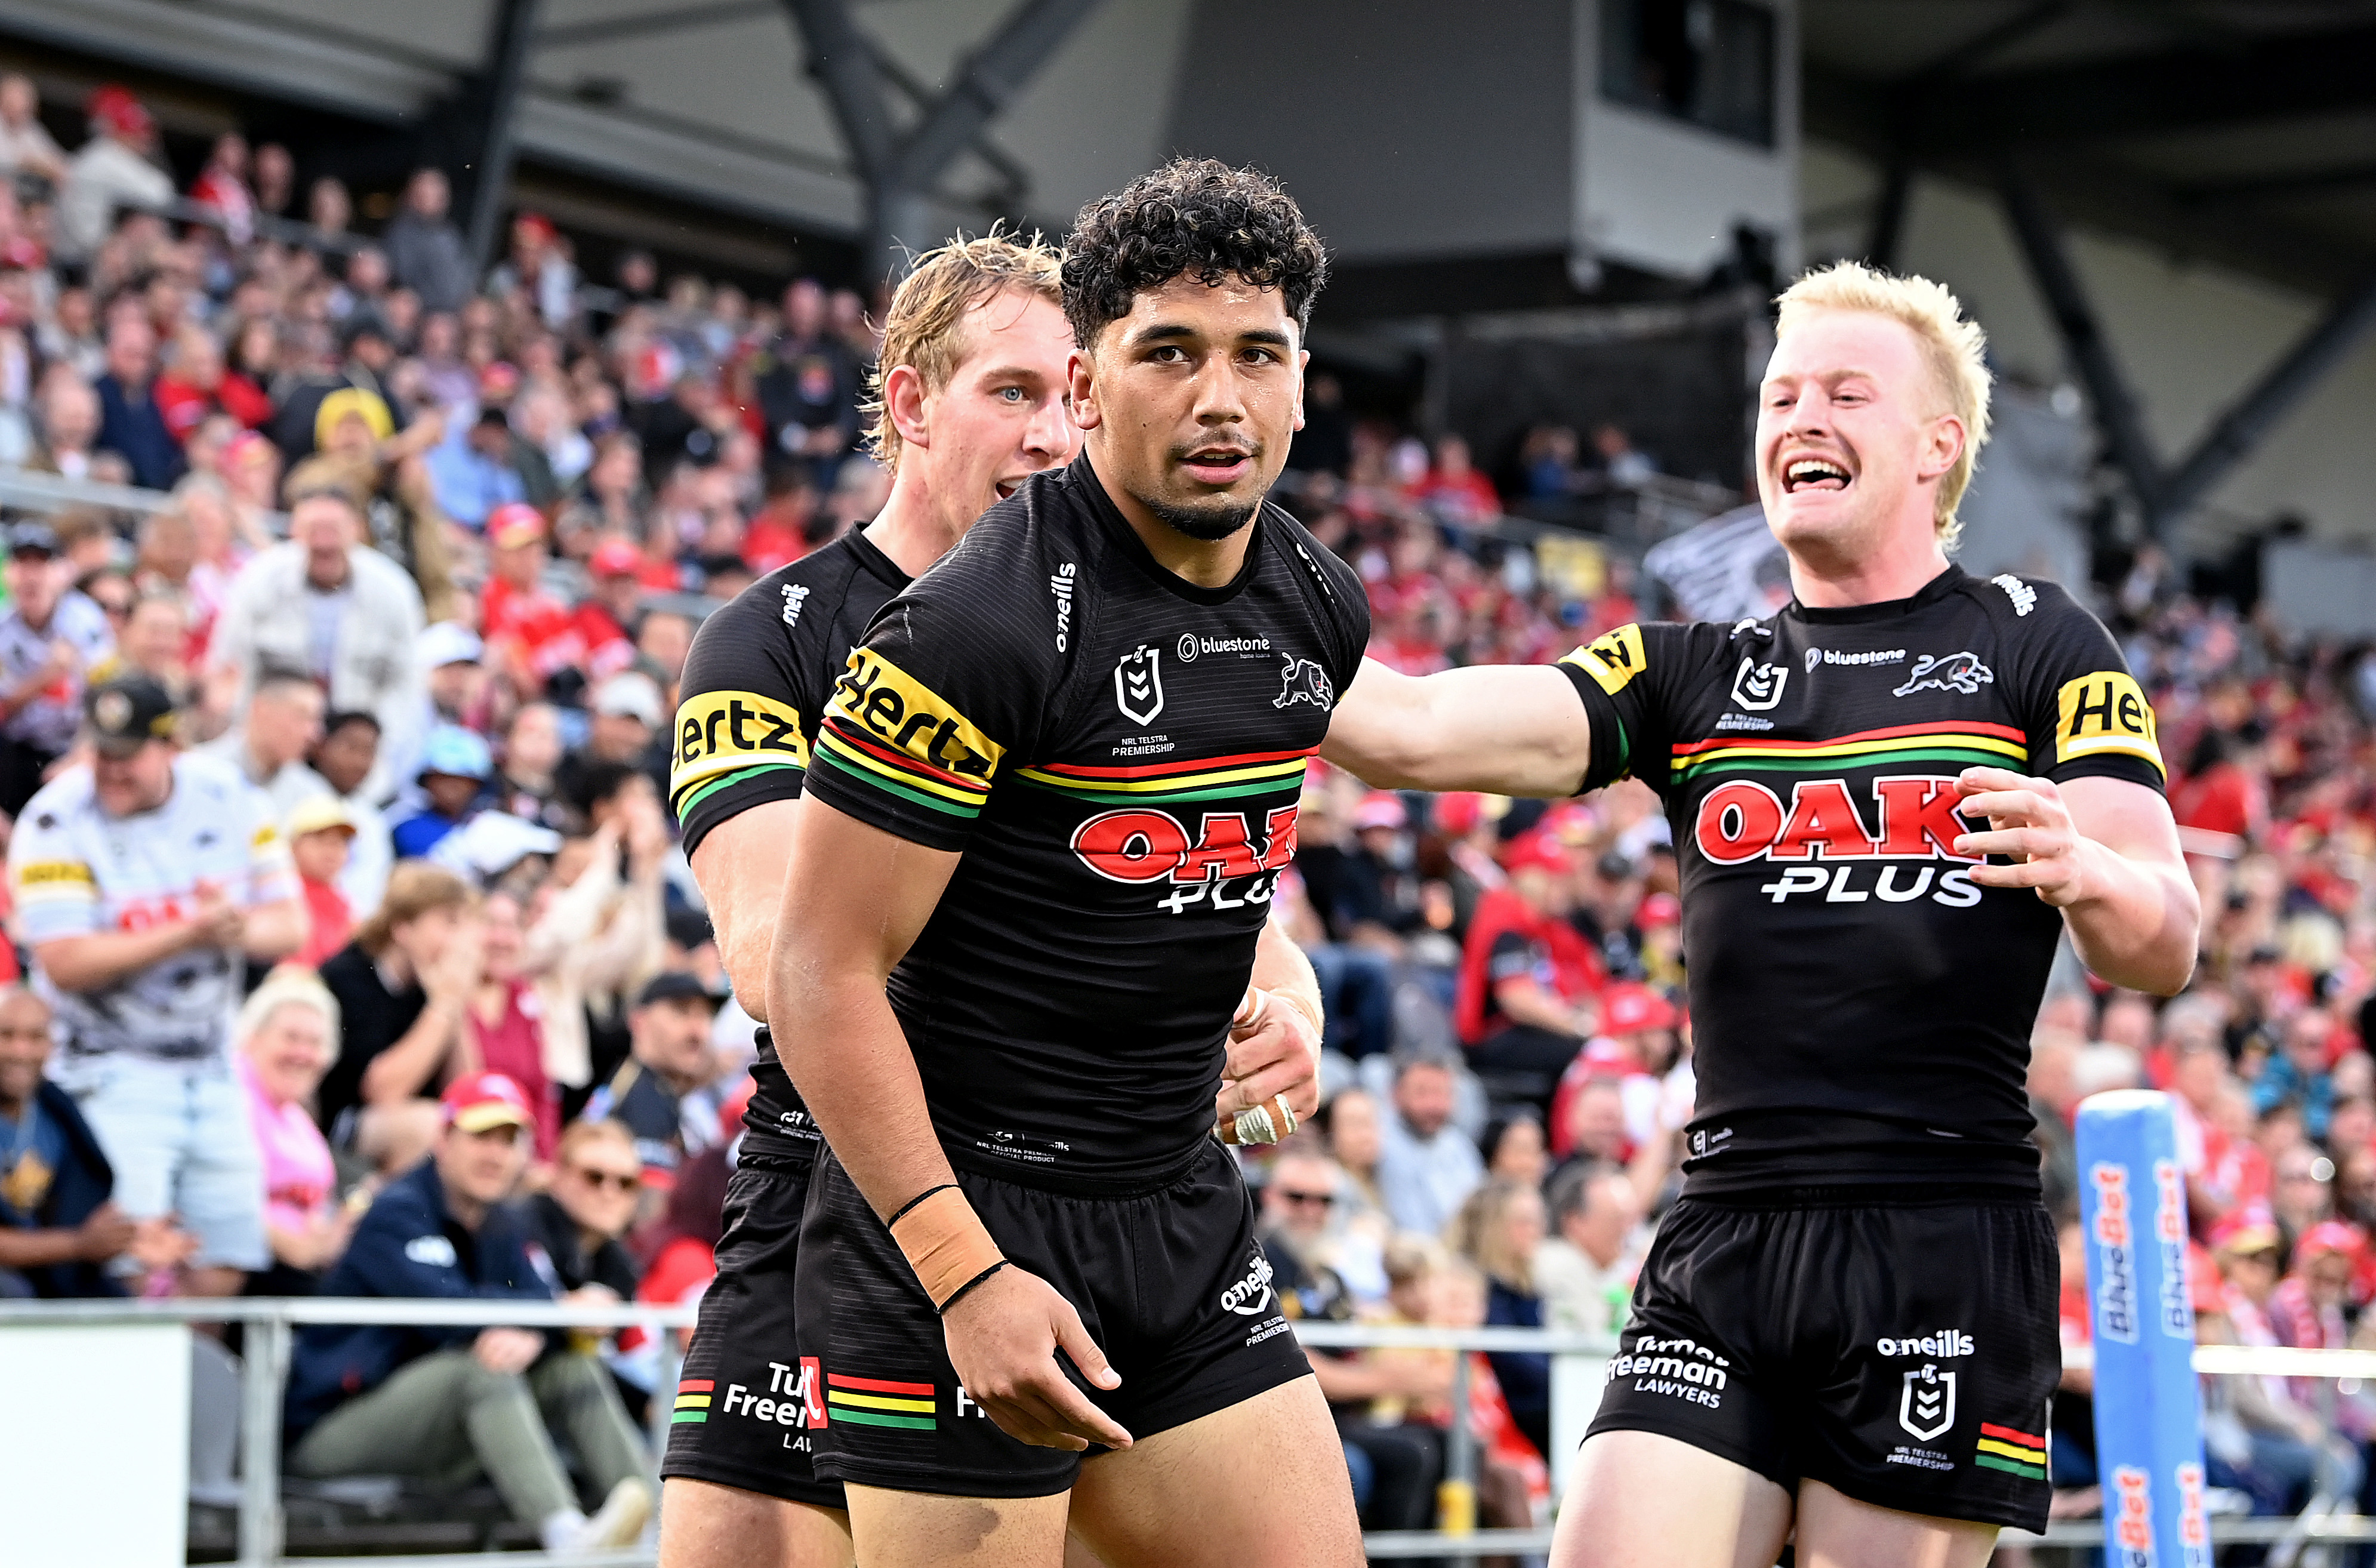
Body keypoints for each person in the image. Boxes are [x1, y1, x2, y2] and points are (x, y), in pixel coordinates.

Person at [1316, 261, 2200, 1566]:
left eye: (1845, 391)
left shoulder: (2038, 643)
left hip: (1933, 1229)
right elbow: (1413, 727)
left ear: (1934, 445)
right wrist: (1214, 585)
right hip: (1721, 1222)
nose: (1798, 416)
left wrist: (2084, 864)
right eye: (1781, 394)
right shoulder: (1691, 669)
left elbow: (2162, 938)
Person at [771, 161, 1361, 1567]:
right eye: (1167, 352)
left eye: (1253, 355)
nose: (1216, 396)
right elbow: (814, 972)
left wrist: (1294, 1001)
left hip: (1176, 1213)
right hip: (953, 1228)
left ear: (1295, 383)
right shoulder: (967, 627)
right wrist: (963, 1272)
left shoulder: (1313, 595)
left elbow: (1204, 854)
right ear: (1088, 387)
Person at [657, 232, 1181, 1568]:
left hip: (1089, 1182)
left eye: (1076, 398)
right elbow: (776, 948)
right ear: (906, 402)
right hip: (836, 1183)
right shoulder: (770, 637)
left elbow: (1209, 885)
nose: (1056, 437)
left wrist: (1272, 995)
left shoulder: (1113, 627)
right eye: (1011, 392)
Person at [7, 674, 307, 1295]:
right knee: (130, 1256)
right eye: (103, 753)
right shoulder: (56, 817)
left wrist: (230, 927)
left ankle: (196, 1393)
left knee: (224, 1257)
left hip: (215, 1061)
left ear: (171, 746)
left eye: (129, 755)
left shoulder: (231, 796)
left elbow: (289, 924)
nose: (111, 771)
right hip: (109, 1065)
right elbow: (64, 959)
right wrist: (187, 932)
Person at [283, 1071, 654, 1554]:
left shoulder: (499, 1219)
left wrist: (537, 1333)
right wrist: (553, 1313)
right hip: (333, 1428)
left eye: (509, 1140)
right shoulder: (396, 1211)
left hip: (436, 1423)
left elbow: (534, 1311)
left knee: (571, 1367)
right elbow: (449, 1315)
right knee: (481, 1369)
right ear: (444, 1138)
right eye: (482, 1136)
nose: (495, 1154)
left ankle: (661, 1531)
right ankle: (567, 1537)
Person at [208, 477, 427, 799]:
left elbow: (406, 686)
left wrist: (373, 753)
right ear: (295, 529)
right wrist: (252, 738)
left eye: (334, 527)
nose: (323, 540)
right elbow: (230, 667)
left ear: (357, 530)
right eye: (313, 527)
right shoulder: (259, 581)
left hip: (354, 746)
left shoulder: (393, 591)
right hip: (271, 742)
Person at [0, 983, 192, 1298]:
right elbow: (74, 1240)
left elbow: (58, 1214)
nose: (21, 1051)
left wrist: (127, 1238)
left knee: (116, 1307)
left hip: (45, 1271)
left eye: (36, 1037)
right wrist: (77, 1245)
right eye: (6, 1035)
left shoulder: (56, 1114)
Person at [316, 862, 481, 1138]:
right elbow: (382, 1092)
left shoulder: (430, 985)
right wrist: (443, 1006)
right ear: (403, 928)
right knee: (427, 1126)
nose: (461, 941)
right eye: (450, 922)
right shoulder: (347, 975)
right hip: (341, 1125)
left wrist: (455, 1005)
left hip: (406, 1119)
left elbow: (465, 1093)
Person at [236, 968, 351, 1293]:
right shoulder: (233, 1097)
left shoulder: (297, 1118)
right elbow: (213, 1197)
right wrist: (289, 1242)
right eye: (291, 1038)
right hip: (250, 1269)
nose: (302, 1054)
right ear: (253, 1038)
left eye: (315, 1043)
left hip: (297, 1271)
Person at [0, 519, 113, 817]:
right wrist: (47, 675)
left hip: (76, 745)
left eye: (41, 564)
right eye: (22, 564)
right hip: (17, 750)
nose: (31, 576)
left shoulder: (85, 619)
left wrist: (80, 756)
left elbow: (107, 694)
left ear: (59, 572)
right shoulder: (3, 626)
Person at [583, 972, 729, 1179]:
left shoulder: (650, 1087)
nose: (698, 1031)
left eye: (706, 1015)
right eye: (681, 1012)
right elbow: (650, 1205)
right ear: (638, 1021)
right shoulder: (643, 1100)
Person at [514, 1117, 641, 1299]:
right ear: (560, 1175)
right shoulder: (519, 1231)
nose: (610, 1194)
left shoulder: (620, 1261)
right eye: (595, 1177)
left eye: (626, 1183)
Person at [1376, 1053, 1485, 1240]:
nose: (1433, 1105)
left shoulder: (1458, 1143)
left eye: (1441, 1093)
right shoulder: (1379, 1141)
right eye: (1422, 1093)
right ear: (1395, 1094)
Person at [1533, 1161, 1644, 1338]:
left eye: (1631, 1221)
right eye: (1616, 1220)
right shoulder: (1557, 1264)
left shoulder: (1616, 1268)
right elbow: (1596, 1337)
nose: (1628, 1231)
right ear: (1576, 1221)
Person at [201, 667, 331, 818]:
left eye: (316, 720)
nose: (313, 733)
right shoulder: (201, 773)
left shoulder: (313, 796)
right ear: (261, 709)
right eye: (301, 716)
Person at [393, 725, 494, 860]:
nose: (452, 785)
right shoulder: (405, 828)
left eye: (462, 779)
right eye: (443, 777)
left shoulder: (491, 828)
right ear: (427, 781)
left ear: (476, 785)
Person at [286, 795, 359, 969]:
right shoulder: (281, 894)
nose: (333, 849)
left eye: (342, 841)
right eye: (320, 838)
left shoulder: (343, 902)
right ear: (292, 845)